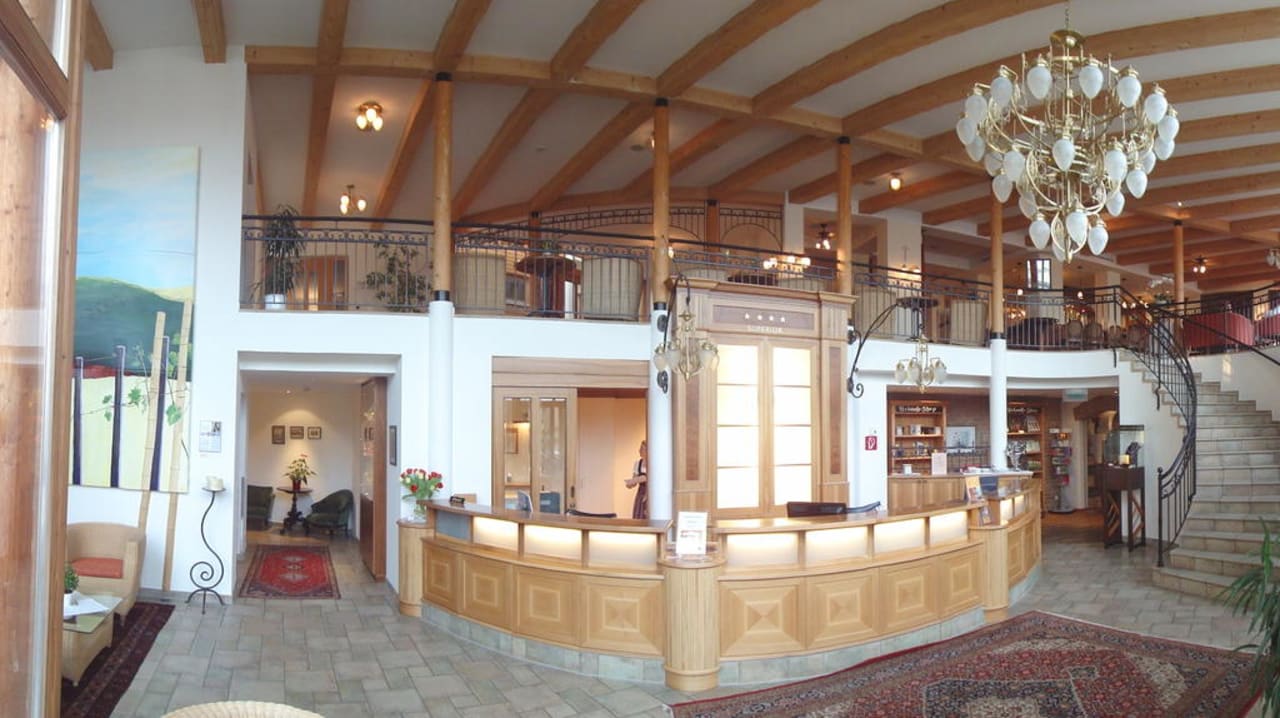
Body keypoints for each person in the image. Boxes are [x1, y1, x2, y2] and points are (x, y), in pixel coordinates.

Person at [625, 439, 648, 519]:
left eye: (642, 449)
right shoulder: (638, 463)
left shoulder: (654, 463)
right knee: (639, 514)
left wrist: (643, 478)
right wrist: (630, 484)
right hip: (641, 492)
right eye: (640, 449)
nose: (639, 451)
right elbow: (634, 479)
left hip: (650, 493)